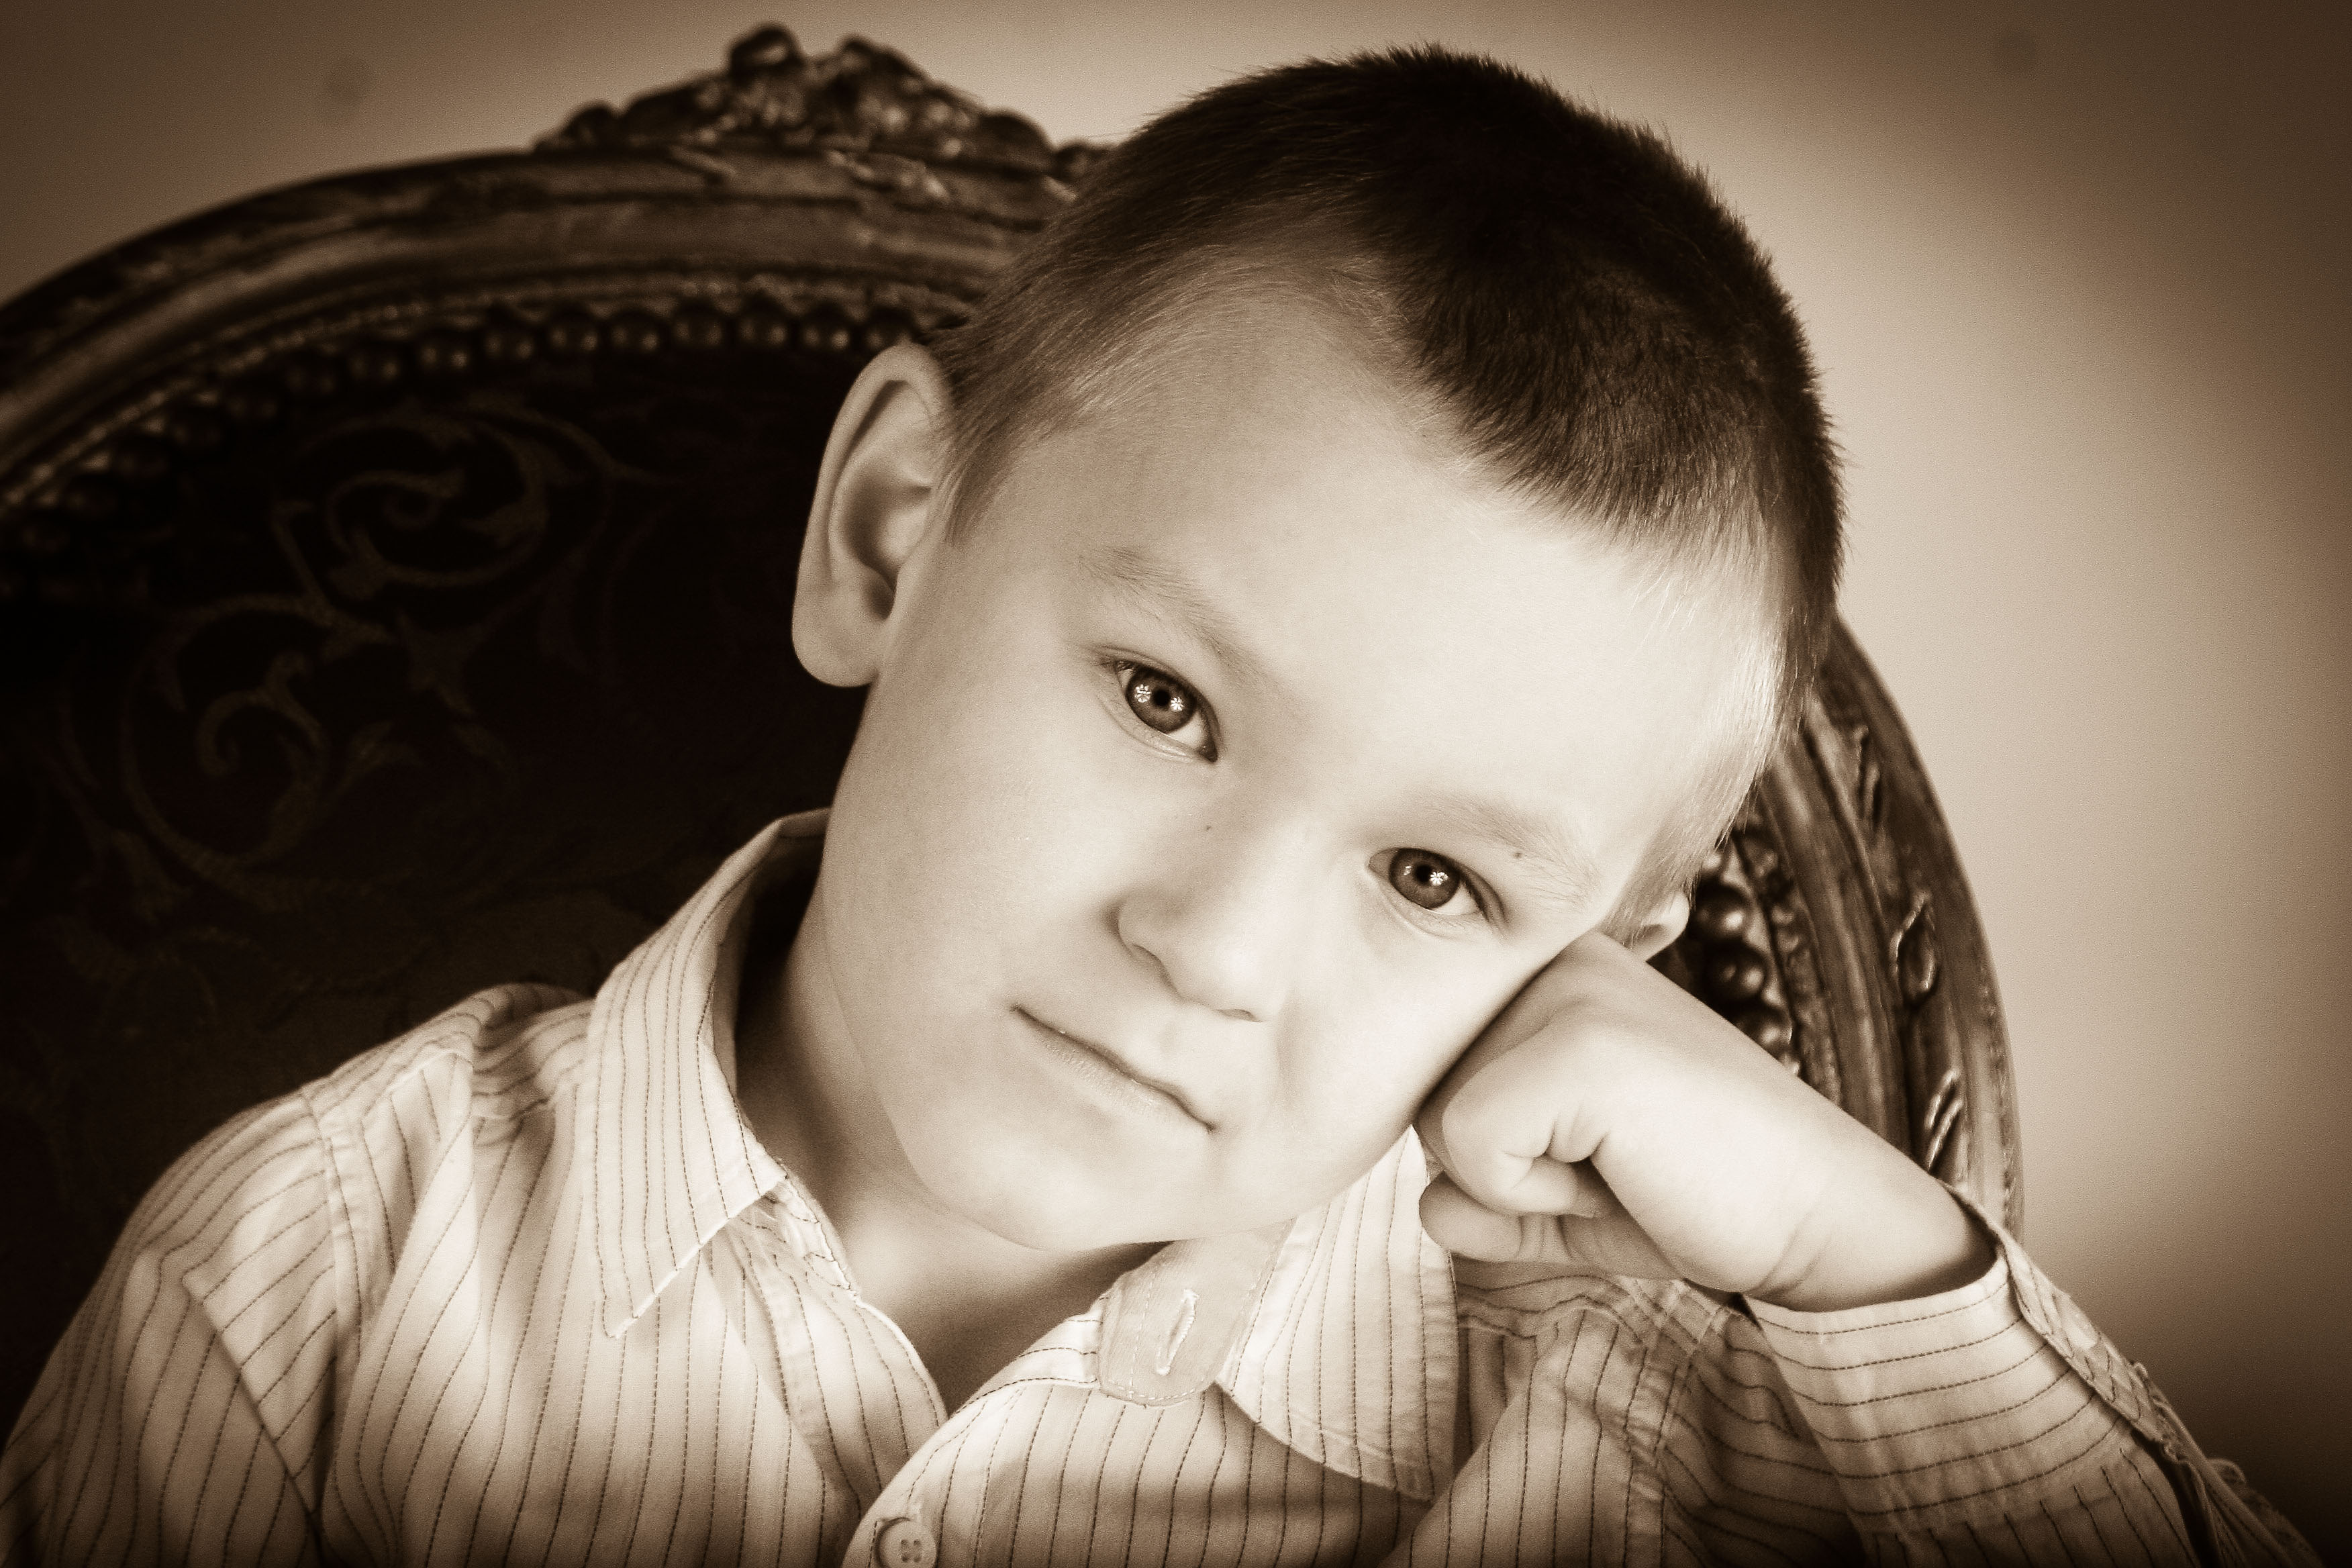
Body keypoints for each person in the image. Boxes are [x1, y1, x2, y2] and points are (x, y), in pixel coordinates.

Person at [0, 45, 2315, 1567]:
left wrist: (1863, 1249)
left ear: (1601, 949)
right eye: (1166, 701)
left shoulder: (1664, 1425)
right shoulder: (308, 1285)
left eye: (1435, 877)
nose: (1212, 948)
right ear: (892, 532)